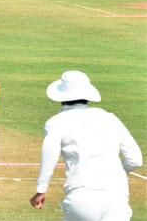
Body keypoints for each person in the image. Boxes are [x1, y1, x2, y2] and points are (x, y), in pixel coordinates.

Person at [30, 70, 142, 221]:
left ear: (61, 97)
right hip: (117, 199)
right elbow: (135, 160)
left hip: (81, 198)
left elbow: (50, 154)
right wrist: (114, 174)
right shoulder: (109, 118)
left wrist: (41, 189)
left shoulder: (56, 122)